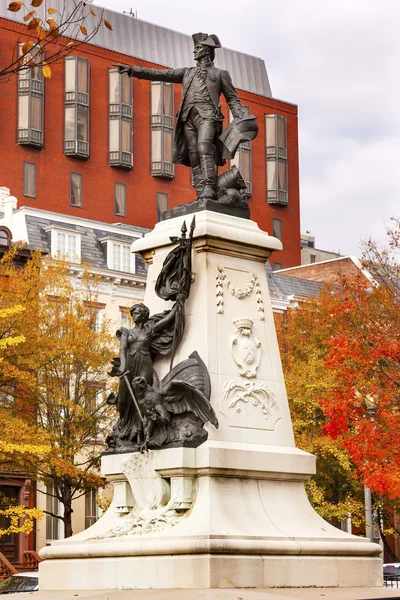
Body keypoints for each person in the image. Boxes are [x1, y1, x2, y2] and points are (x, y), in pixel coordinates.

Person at [117, 32, 245, 200]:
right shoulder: (187, 72)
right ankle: (201, 192)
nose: (194, 52)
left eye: (197, 48)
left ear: (206, 51)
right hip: (187, 118)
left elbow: (232, 98)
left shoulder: (220, 74)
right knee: (193, 154)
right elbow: (161, 74)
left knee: (204, 147)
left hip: (207, 116)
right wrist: (134, 71)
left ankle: (209, 186)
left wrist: (239, 116)